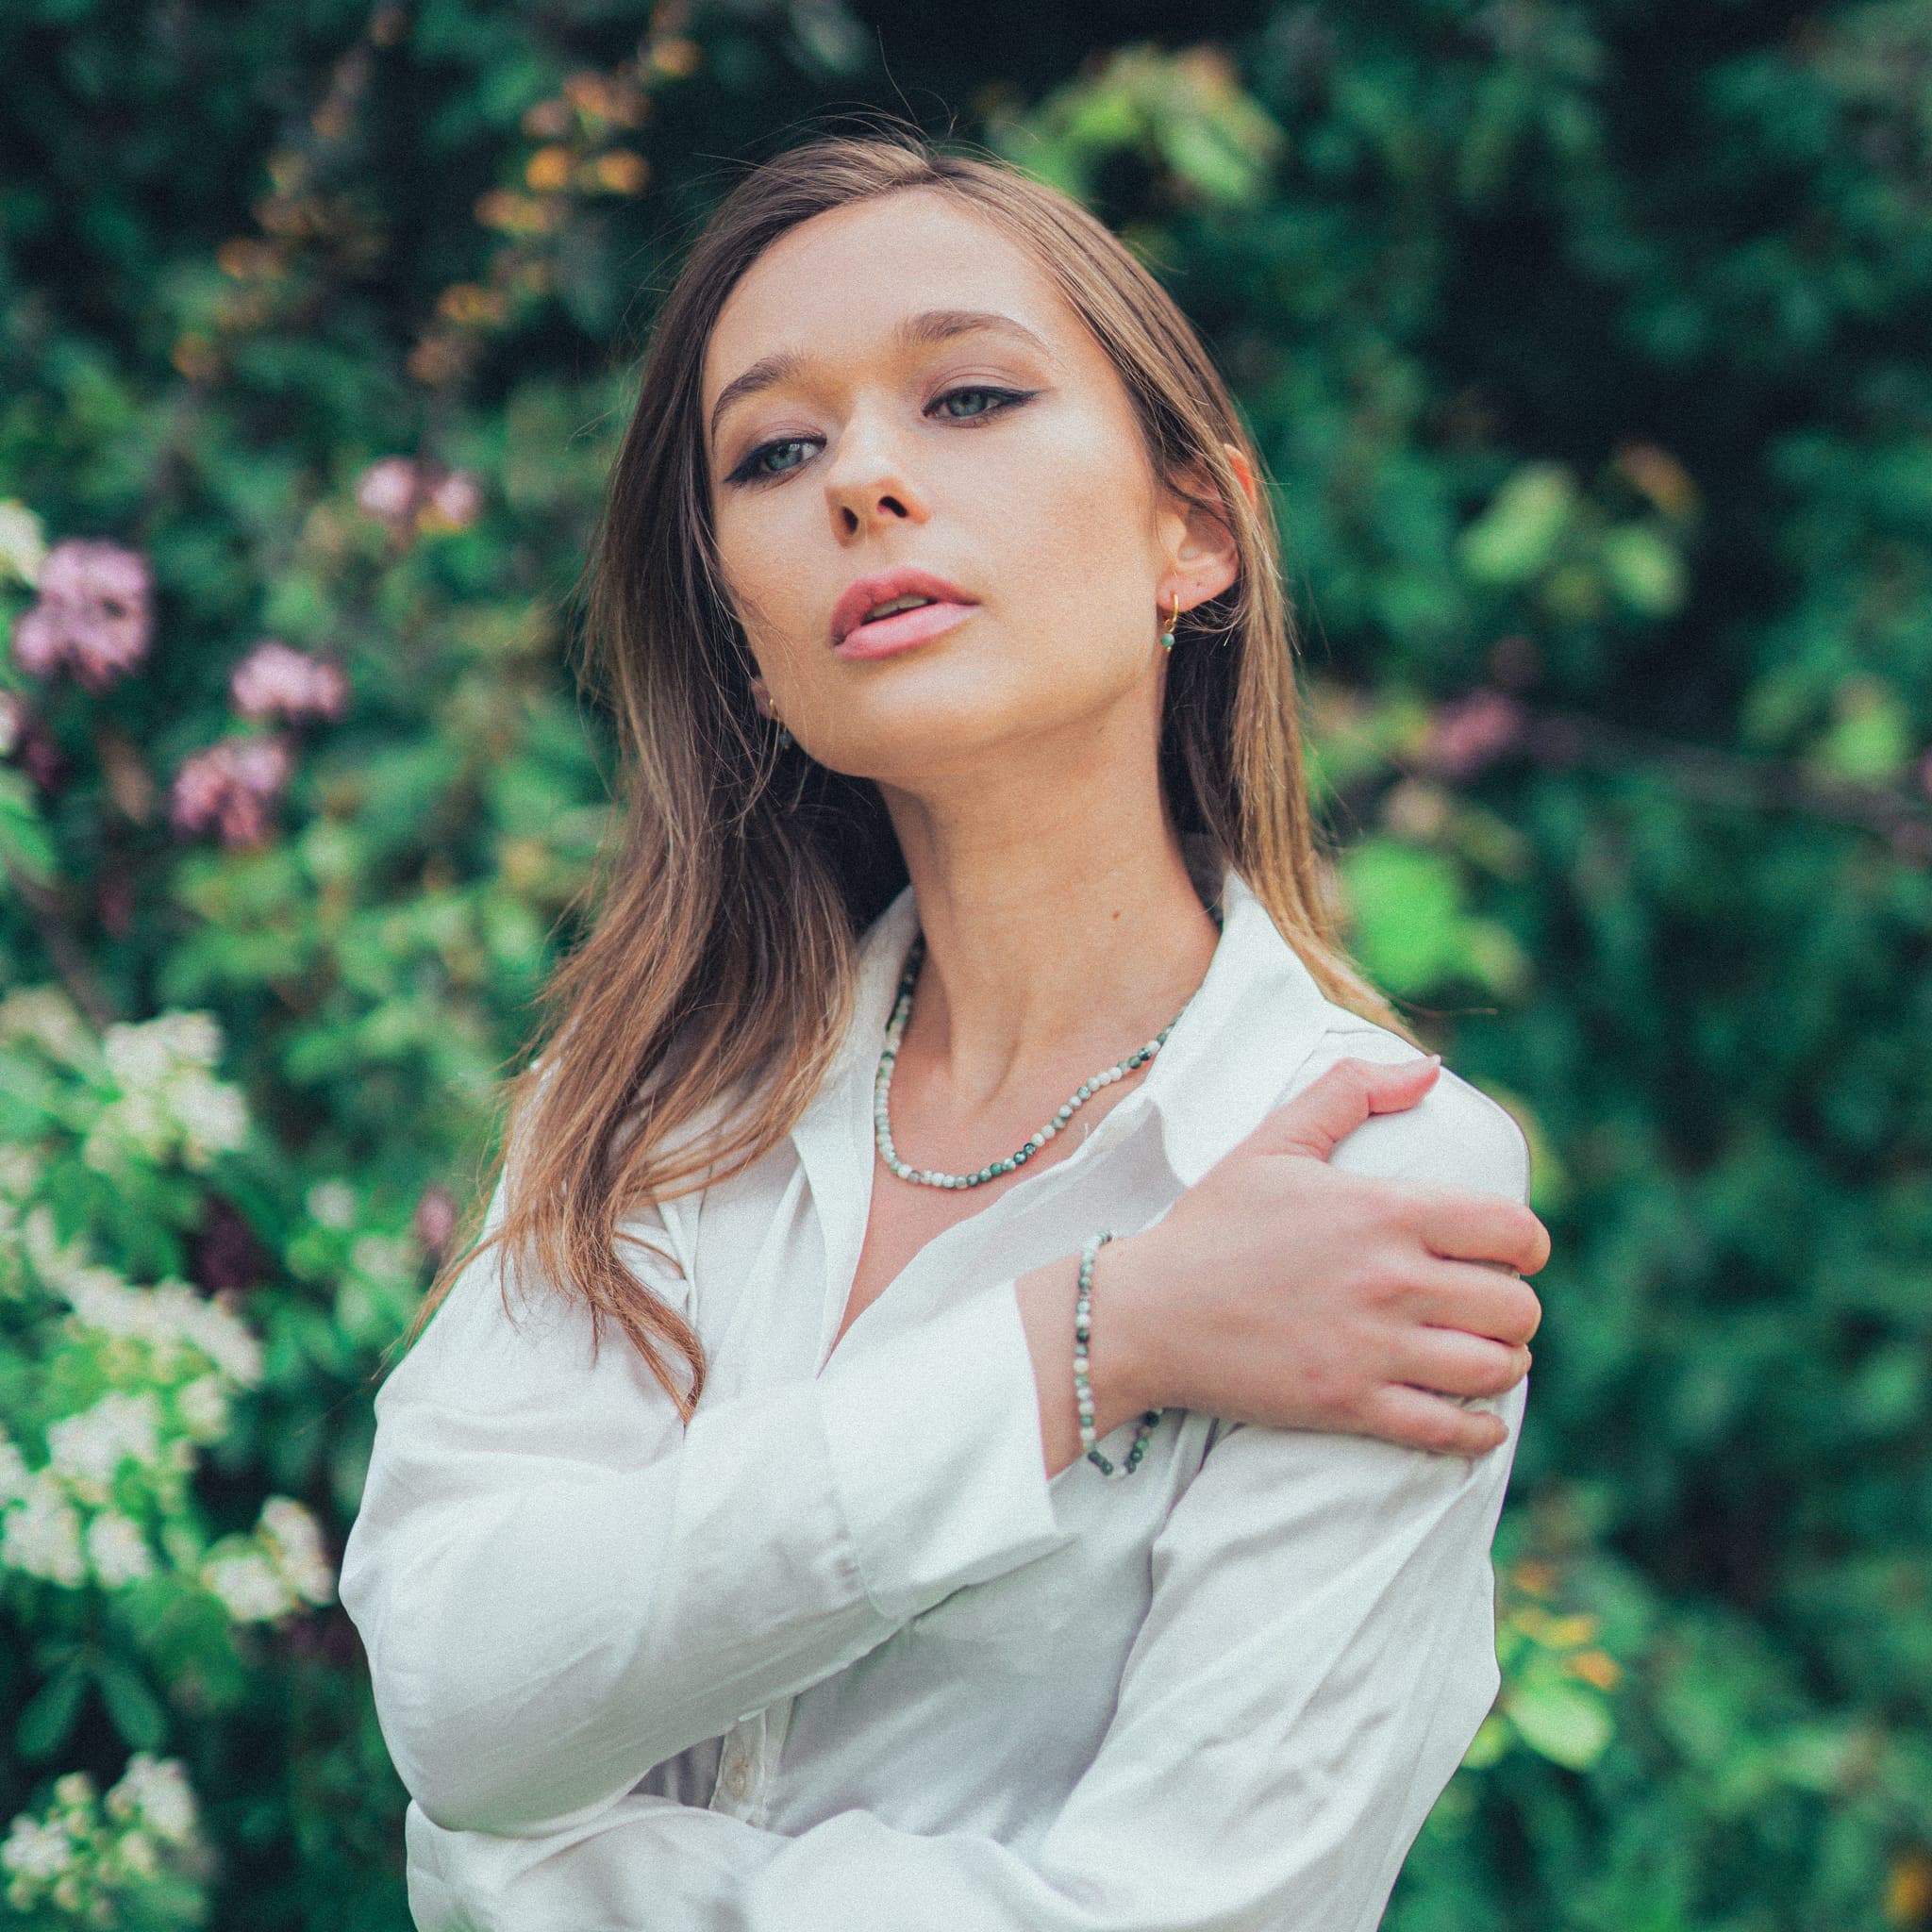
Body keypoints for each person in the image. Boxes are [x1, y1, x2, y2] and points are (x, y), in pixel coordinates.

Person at [338, 127, 1551, 1931]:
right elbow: (458, 1704)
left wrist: (552, 1878)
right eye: (776, 450)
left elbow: (1188, 1918)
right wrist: (1098, 1338)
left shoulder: (1371, 1178)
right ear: (749, 645)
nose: (864, 481)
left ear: (1194, 530)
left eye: (970, 397)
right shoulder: (639, 1113)